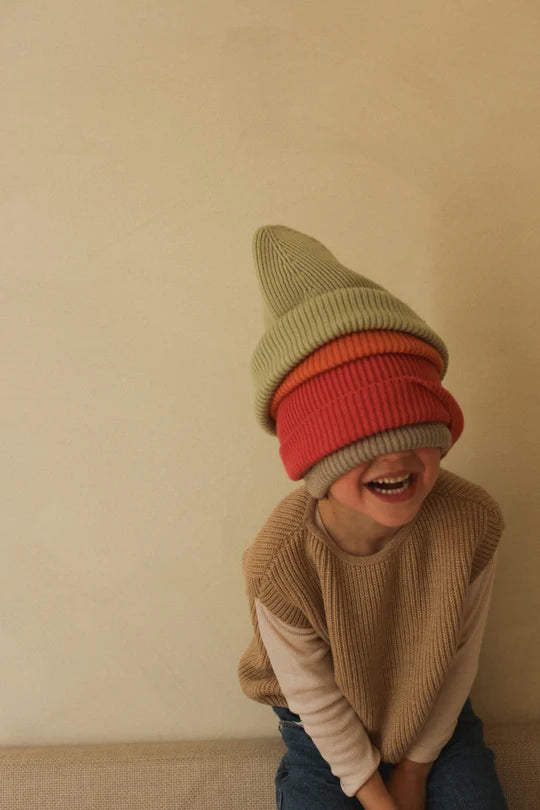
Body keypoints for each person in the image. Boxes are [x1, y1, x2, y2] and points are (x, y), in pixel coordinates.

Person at [238, 225, 509, 810]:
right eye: (360, 440)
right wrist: (376, 796)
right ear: (314, 459)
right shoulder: (280, 562)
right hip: (321, 732)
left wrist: (414, 772)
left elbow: (459, 661)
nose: (395, 457)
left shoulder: (471, 521)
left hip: (436, 716)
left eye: (414, 427)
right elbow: (314, 698)